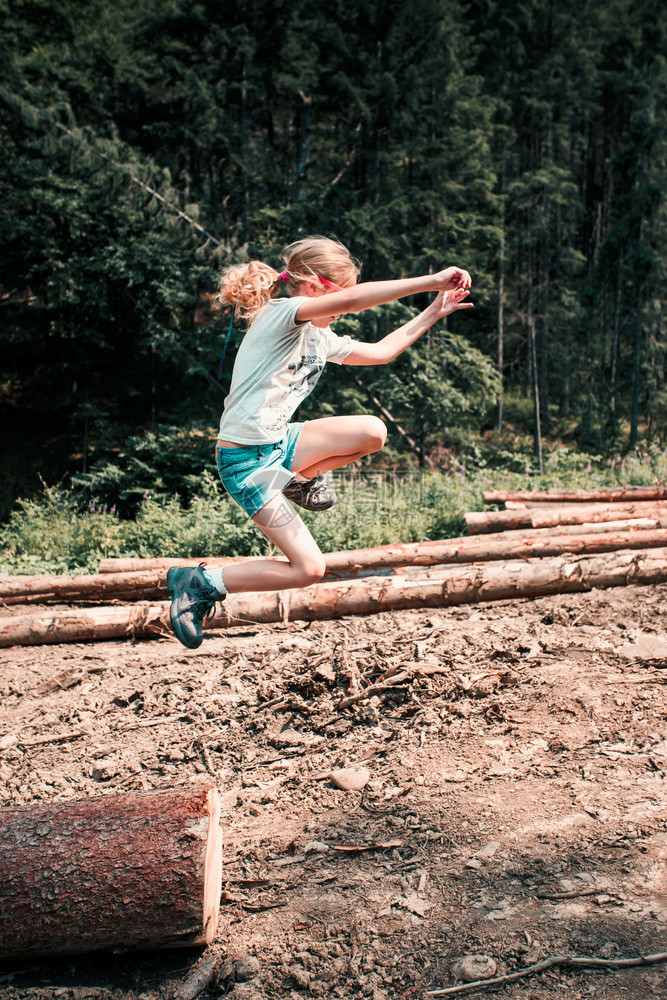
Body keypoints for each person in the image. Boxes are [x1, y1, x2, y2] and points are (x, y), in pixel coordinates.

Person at [168, 235, 473, 648]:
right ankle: (201, 582)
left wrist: (434, 311)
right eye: (341, 294)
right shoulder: (284, 313)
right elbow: (353, 302)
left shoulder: (318, 337)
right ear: (314, 286)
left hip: (281, 444)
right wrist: (432, 280)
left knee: (372, 432)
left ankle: (296, 478)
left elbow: (382, 352)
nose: (344, 308)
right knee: (309, 569)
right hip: (246, 464)